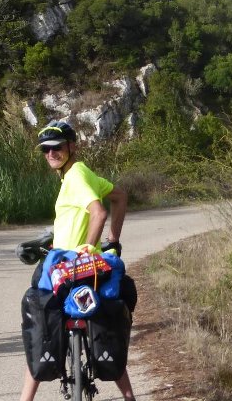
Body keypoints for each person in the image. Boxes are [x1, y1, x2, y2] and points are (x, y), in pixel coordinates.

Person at [19, 121, 135, 401]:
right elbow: (119, 197)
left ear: (72, 146)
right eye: (45, 150)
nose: (50, 154)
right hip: (91, 268)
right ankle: (130, 398)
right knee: (103, 324)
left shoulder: (75, 177)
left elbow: (98, 212)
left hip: (69, 267)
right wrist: (113, 242)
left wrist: (83, 249)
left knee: (40, 318)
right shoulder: (83, 173)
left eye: (56, 148)